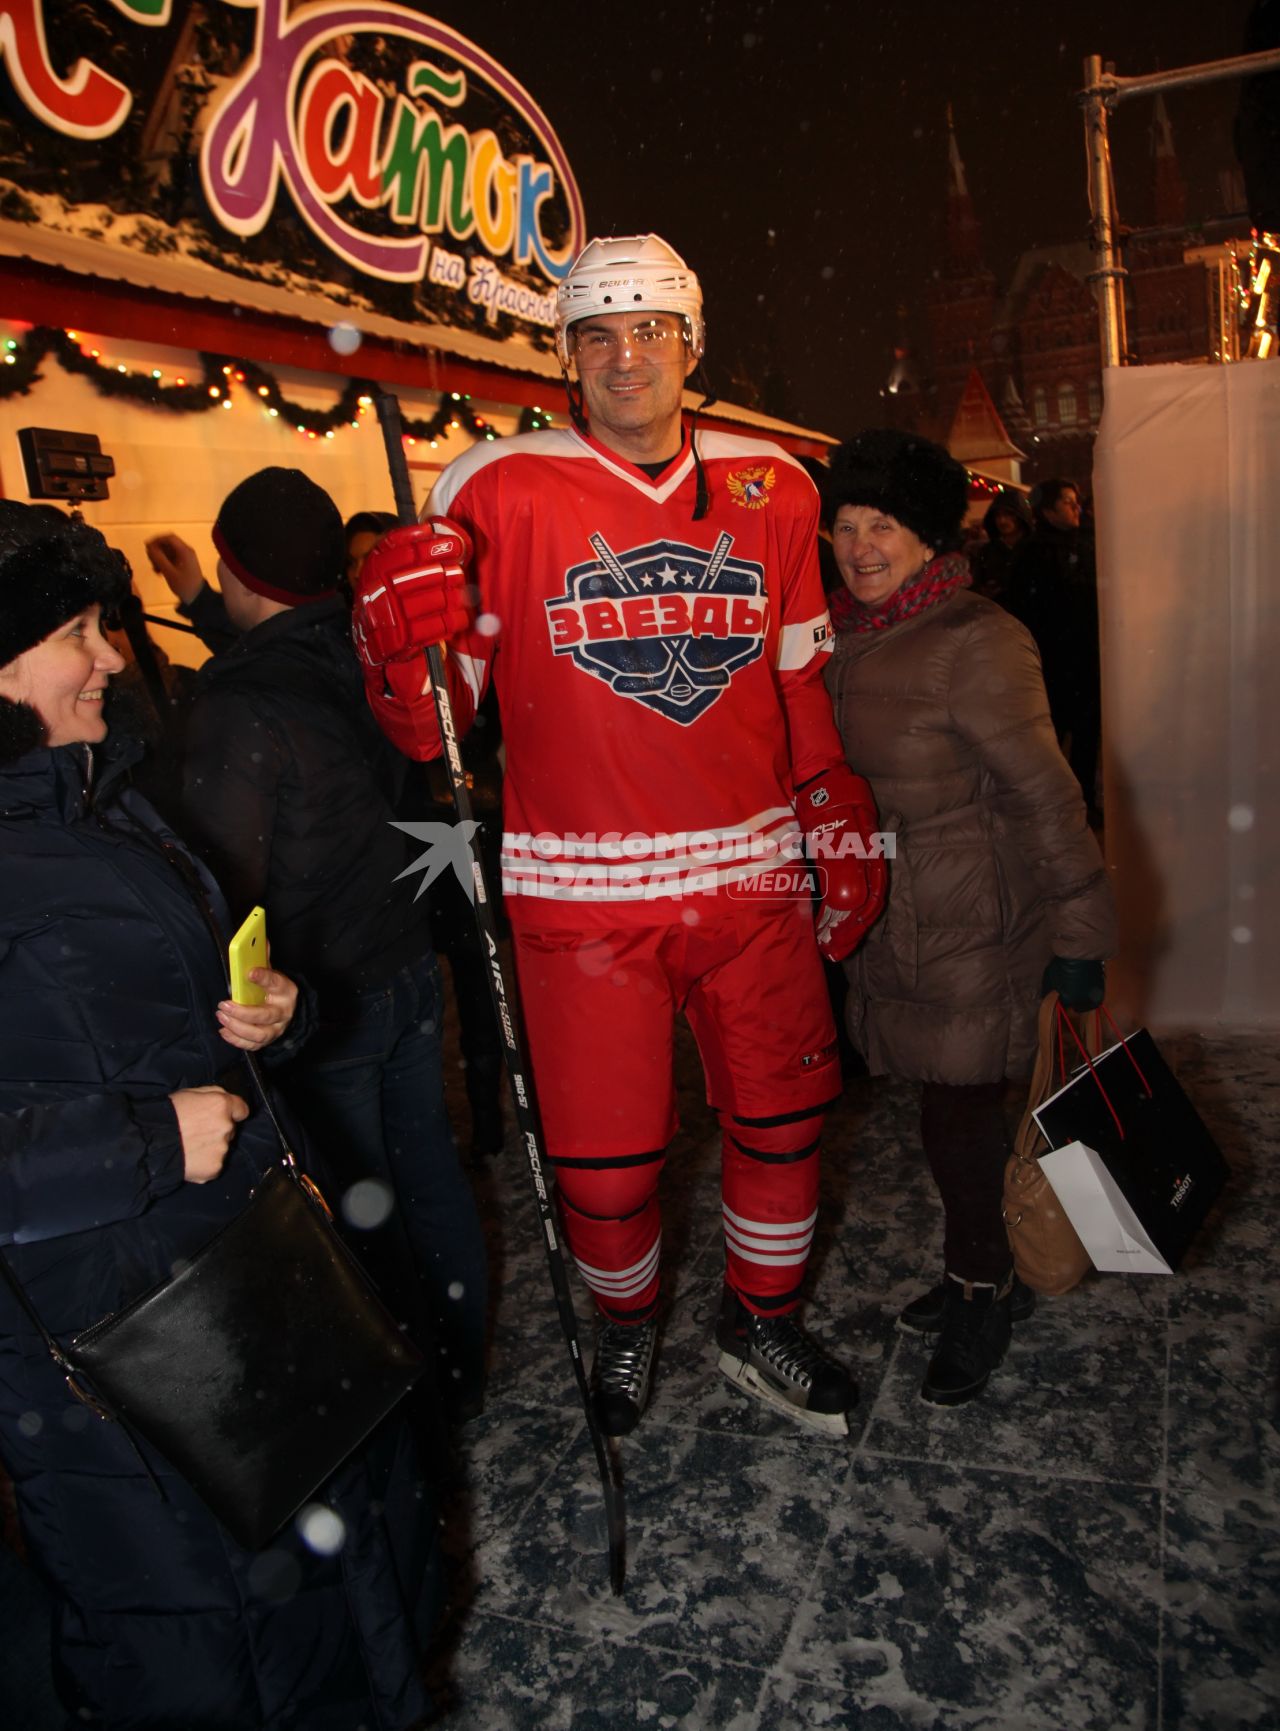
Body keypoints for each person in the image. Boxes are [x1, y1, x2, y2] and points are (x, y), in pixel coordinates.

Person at [350, 234, 887, 1439]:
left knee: (785, 1119)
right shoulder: (491, 488)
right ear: (564, 358)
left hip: (751, 875)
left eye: (649, 330)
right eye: (597, 334)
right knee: (605, 1167)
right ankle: (628, 1319)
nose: (625, 357)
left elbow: (795, 678)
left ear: (692, 346)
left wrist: (830, 801)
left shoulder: (775, 485)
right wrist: (396, 649)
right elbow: (438, 726)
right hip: (580, 891)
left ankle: (762, 1320)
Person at [0, 502, 438, 1728]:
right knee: (206, 1637)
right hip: (107, 1344)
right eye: (77, 632)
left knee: (335, 1583)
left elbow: (193, 998)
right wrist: (140, 1143)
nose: (109, 654)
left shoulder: (96, 795)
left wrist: (274, 1012)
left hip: (247, 1279)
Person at [148, 471, 487, 1419]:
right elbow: (283, 658)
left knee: (357, 1197)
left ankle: (401, 1382)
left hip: (320, 994)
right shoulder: (365, 649)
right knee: (426, 1175)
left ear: (233, 564)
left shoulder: (239, 709)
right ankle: (459, 1359)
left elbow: (222, 873)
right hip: (403, 960)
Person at [822, 431, 1115, 1407]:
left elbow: (1044, 794)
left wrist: (1078, 938)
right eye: (846, 528)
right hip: (894, 915)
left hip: (973, 926)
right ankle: (972, 1266)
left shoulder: (973, 639)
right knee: (946, 1116)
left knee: (955, 1118)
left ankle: (983, 1289)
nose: (860, 547)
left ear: (927, 538)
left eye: (884, 528)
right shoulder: (845, 633)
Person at [1004, 477, 1102, 820]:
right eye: (1066, 502)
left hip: (1087, 656)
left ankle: (1086, 801)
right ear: (1046, 510)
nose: (1076, 507)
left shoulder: (1091, 542)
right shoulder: (1033, 551)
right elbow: (1023, 606)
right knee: (1051, 737)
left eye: (1076, 501)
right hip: (1054, 659)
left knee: (1088, 736)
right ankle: (1053, 805)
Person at [968, 490, 1032, 608]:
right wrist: (984, 592)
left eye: (1008, 514)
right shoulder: (987, 551)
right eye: (998, 515)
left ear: (1020, 515)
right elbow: (974, 584)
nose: (1002, 520)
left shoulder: (1035, 549)